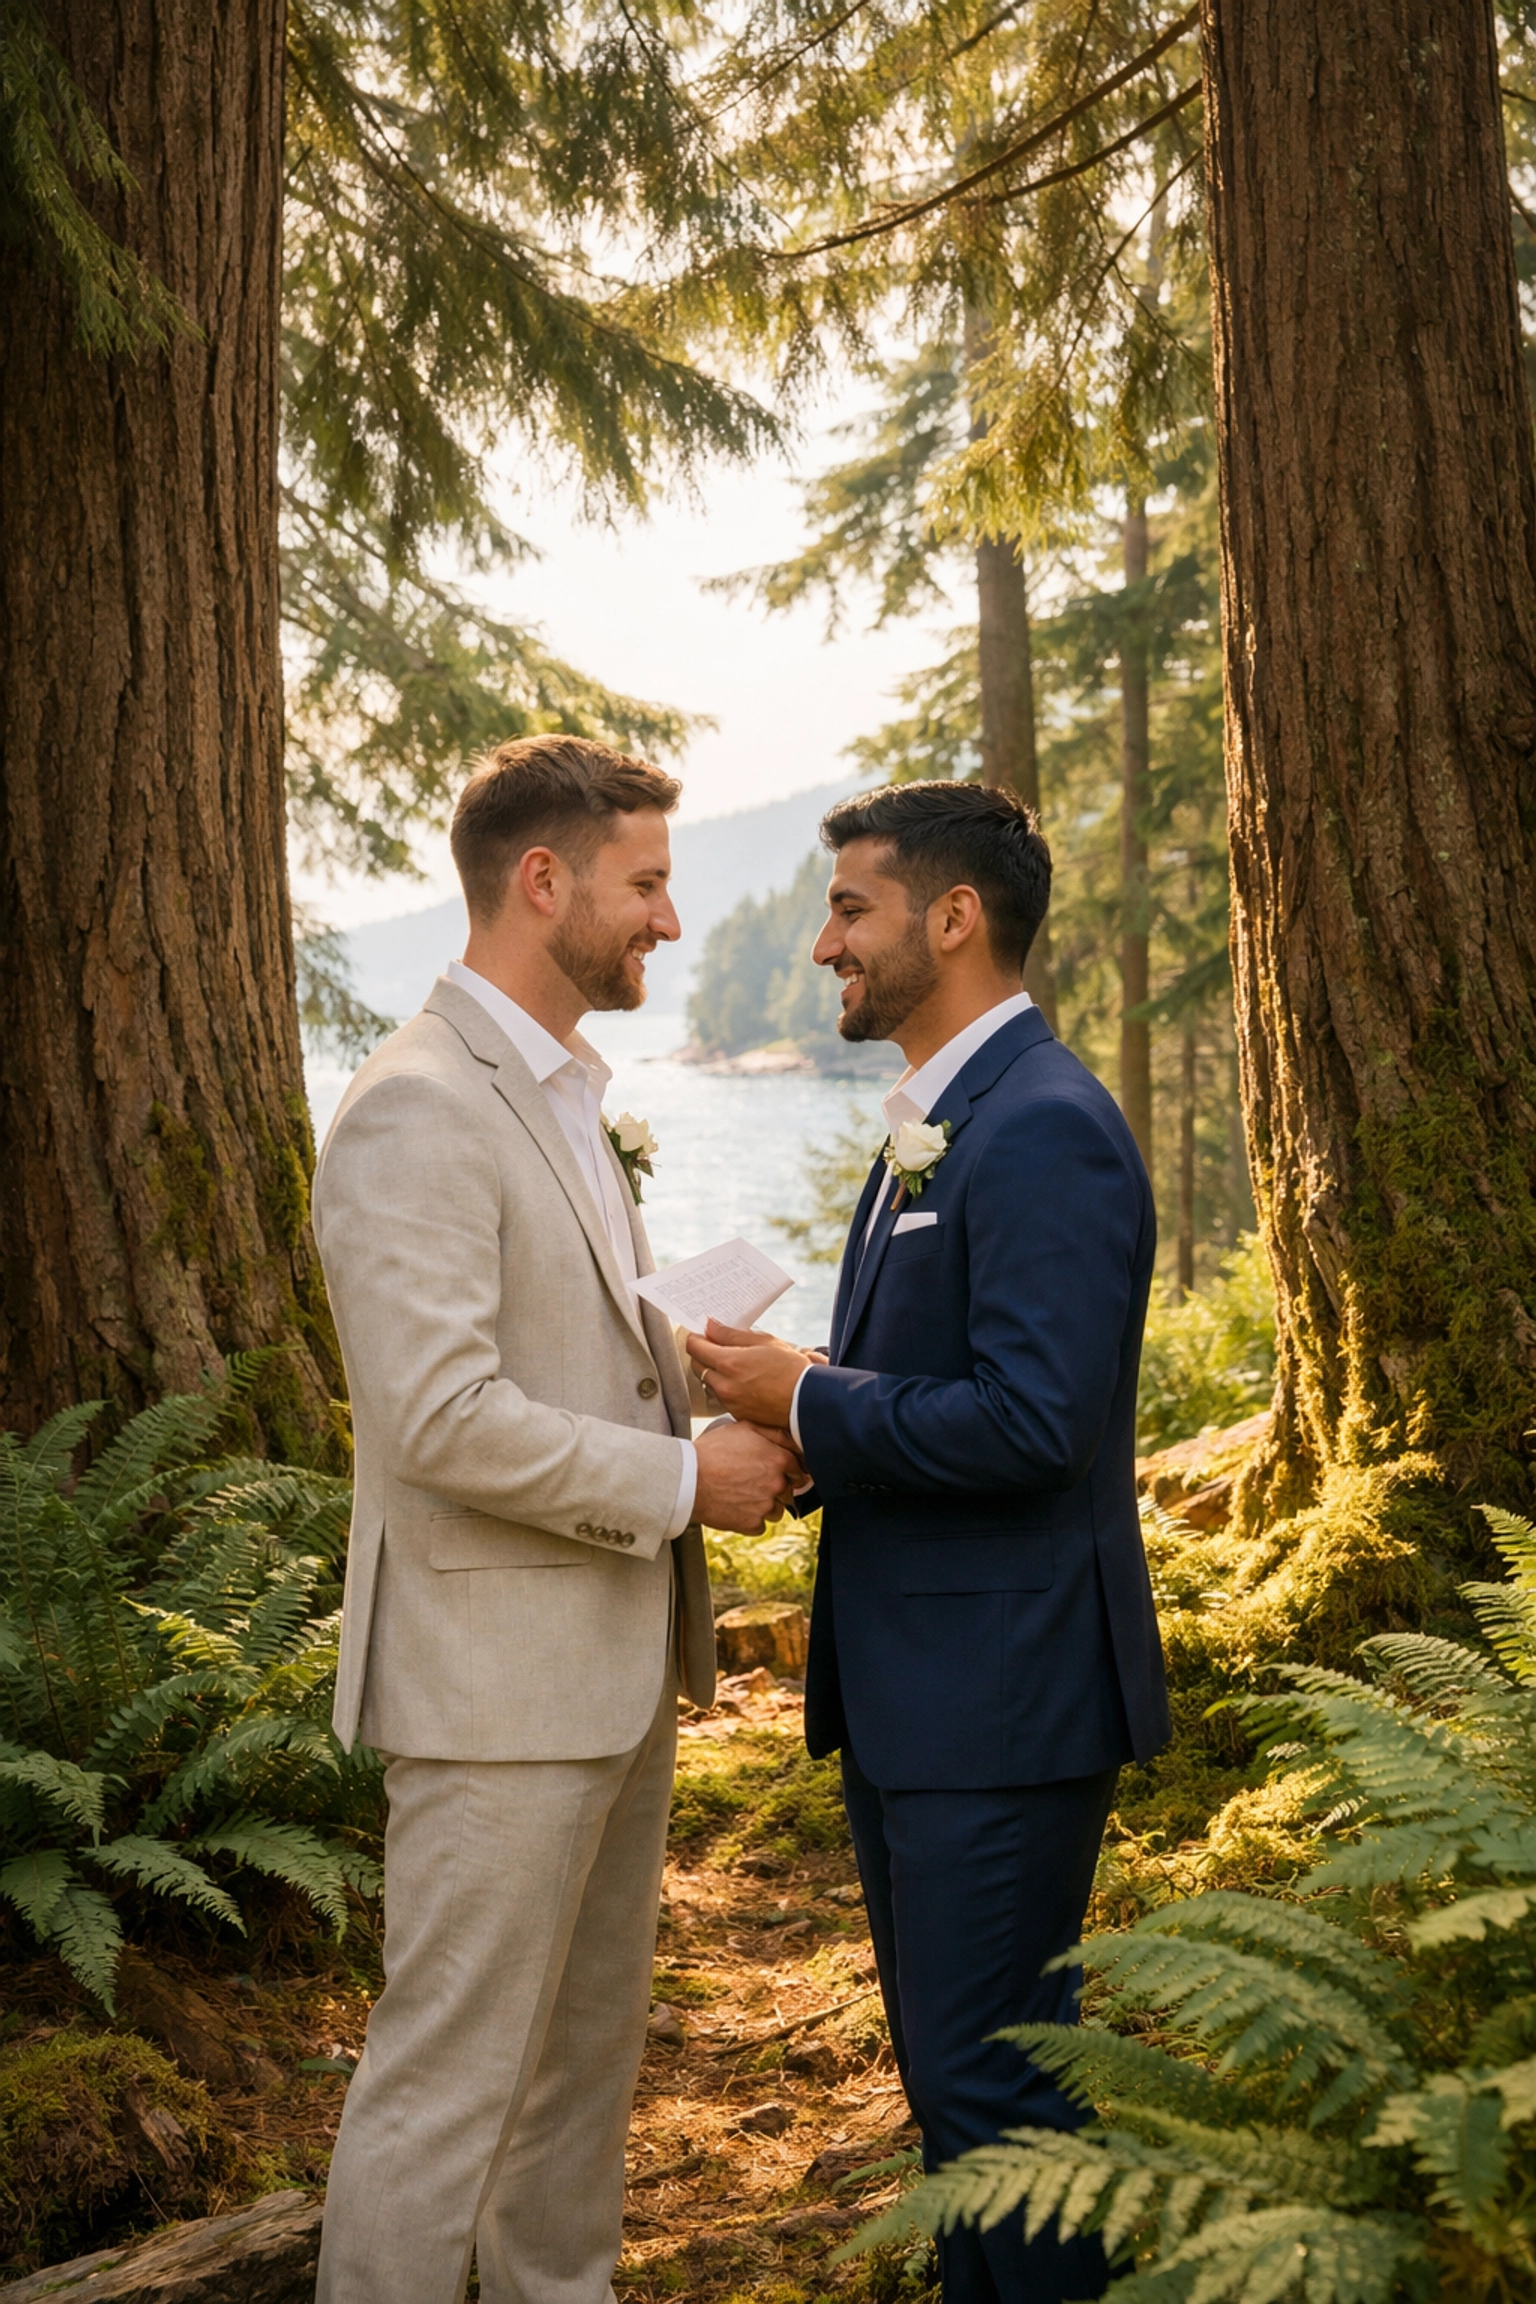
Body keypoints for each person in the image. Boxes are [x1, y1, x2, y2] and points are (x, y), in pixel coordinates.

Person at [312, 735, 802, 2304]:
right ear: (544, 881)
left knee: (578, 2088)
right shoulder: (415, 1108)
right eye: (647, 883)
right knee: (447, 2092)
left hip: (604, 1670)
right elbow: (435, 1414)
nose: (669, 918)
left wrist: (728, 1375)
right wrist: (682, 1482)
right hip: (489, 1689)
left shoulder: (566, 1094)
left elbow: (566, 1335)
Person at [688, 780, 1171, 2304]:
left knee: (997, 2105)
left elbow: (1039, 1424)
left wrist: (818, 1402)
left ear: (952, 919)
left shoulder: (1043, 1127)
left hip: (1006, 1702)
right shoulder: (943, 1121)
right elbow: (953, 1383)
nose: (824, 944)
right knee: (960, 2101)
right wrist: (803, 1433)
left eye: (850, 909)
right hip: (928, 1697)